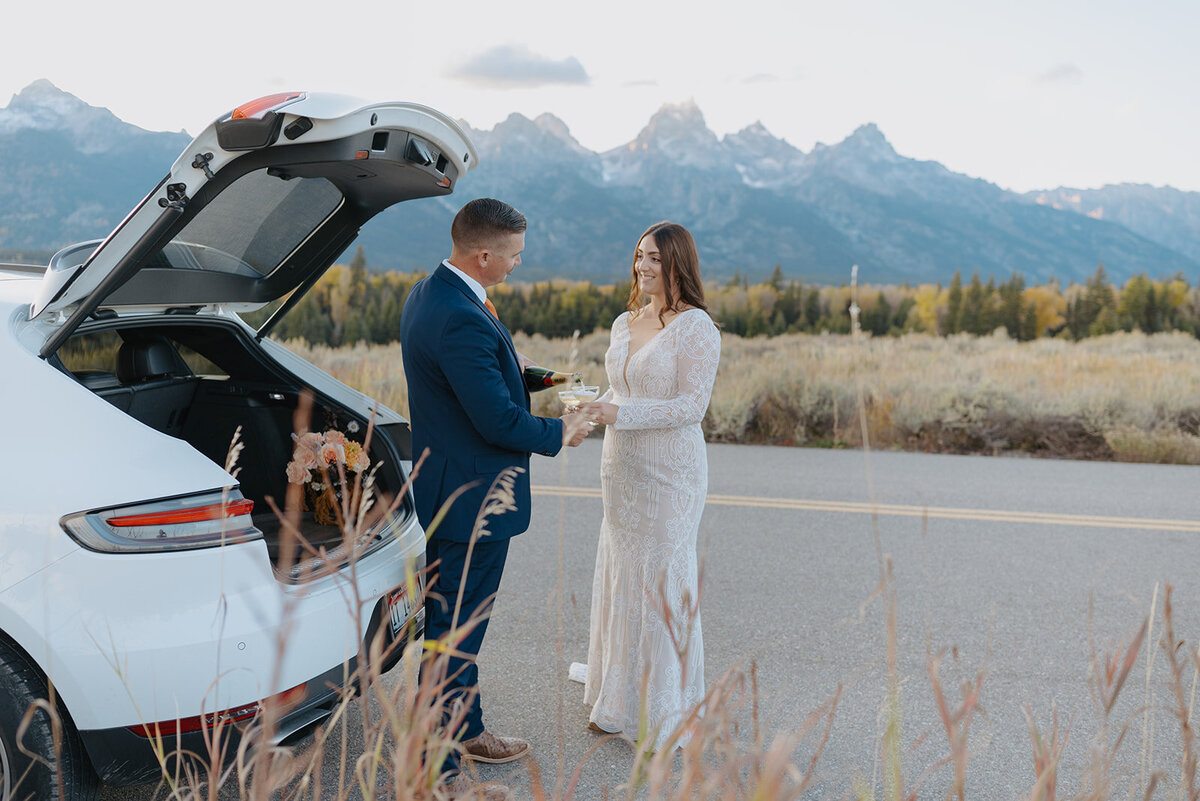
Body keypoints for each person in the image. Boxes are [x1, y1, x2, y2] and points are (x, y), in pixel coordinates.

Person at [399, 198, 591, 796]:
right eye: (512, 257)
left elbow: (482, 371)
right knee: (453, 630)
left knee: (461, 624)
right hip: (470, 499)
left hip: (453, 489)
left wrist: (545, 377)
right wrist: (566, 430)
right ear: (484, 255)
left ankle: (467, 729)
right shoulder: (457, 314)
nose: (515, 266)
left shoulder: (433, 292)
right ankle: (440, 769)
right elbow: (498, 421)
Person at [579, 221, 721, 750]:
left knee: (662, 576)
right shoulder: (624, 321)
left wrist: (619, 412)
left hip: (671, 472)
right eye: (640, 256)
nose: (643, 267)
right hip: (621, 467)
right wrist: (588, 402)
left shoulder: (697, 328)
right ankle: (616, 692)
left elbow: (690, 408)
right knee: (623, 572)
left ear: (678, 263)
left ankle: (665, 706)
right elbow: (622, 387)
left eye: (656, 259)